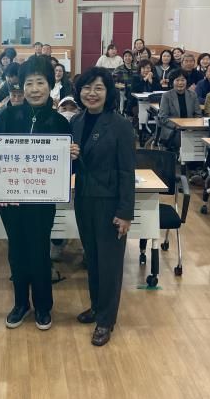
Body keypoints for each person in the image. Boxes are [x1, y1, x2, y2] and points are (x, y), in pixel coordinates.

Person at [0, 55, 75, 332]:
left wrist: (72, 156)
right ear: (22, 86)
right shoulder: (8, 116)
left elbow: (67, 168)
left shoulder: (60, 123)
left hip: (42, 201)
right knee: (16, 251)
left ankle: (43, 305)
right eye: (29, 83)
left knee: (39, 251)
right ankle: (20, 303)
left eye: (40, 82)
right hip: (11, 200)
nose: (35, 89)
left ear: (50, 85)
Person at [71, 67, 135, 346]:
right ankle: (97, 307)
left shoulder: (120, 125)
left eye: (98, 88)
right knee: (93, 259)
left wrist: (125, 212)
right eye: (87, 88)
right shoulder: (76, 121)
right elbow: (75, 165)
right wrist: (69, 157)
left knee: (110, 263)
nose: (92, 93)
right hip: (84, 199)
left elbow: (127, 172)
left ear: (108, 93)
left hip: (110, 203)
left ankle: (106, 320)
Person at [157, 69, 202, 150]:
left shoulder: (193, 95)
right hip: (172, 129)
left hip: (190, 128)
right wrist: (177, 126)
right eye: (177, 80)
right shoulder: (166, 96)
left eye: (183, 80)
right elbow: (163, 117)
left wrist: (193, 127)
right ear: (172, 82)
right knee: (179, 136)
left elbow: (198, 114)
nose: (180, 83)